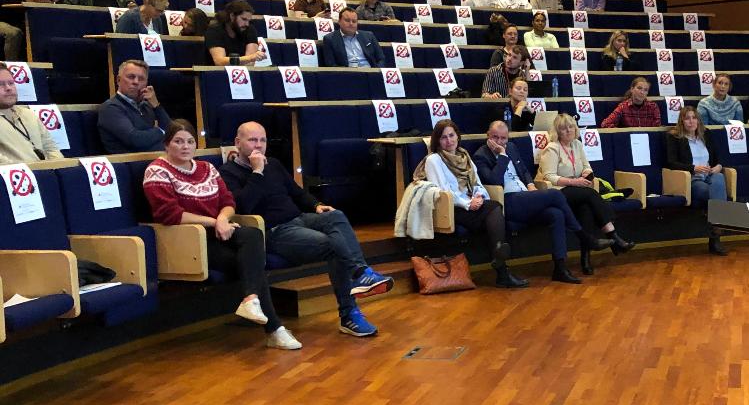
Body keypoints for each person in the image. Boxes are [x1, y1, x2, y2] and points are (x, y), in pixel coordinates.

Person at [220, 121, 393, 338]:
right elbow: (243, 206)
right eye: (252, 140)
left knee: (335, 215)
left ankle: (362, 273)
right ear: (238, 142)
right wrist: (257, 172)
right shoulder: (228, 173)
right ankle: (350, 312)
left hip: (300, 218)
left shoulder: (272, 163)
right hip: (275, 231)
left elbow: (296, 192)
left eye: (262, 140)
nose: (259, 145)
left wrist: (315, 205)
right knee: (333, 245)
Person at [143, 120, 301, 350]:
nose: (185, 147)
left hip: (221, 229)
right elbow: (169, 214)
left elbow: (228, 201)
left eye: (189, 141)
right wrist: (215, 222)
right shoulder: (157, 171)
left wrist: (223, 219)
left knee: (253, 234)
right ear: (167, 144)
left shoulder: (207, 168)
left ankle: (251, 301)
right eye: (178, 141)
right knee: (248, 263)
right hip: (189, 240)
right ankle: (274, 328)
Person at [473, 121, 611, 284]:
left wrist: (531, 186)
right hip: (507, 201)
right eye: (495, 137)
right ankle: (585, 237)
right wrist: (502, 156)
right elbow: (494, 180)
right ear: (488, 135)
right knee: (555, 195)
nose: (499, 142)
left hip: (525, 196)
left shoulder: (511, 147)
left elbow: (523, 170)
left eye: (503, 138)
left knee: (556, 214)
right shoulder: (481, 155)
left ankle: (560, 268)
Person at [416, 118, 526, 288]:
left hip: (470, 203)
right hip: (452, 208)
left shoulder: (464, 156)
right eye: (444, 137)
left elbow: (477, 184)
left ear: (457, 137)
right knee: (494, 208)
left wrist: (480, 196)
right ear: (437, 140)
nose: (449, 140)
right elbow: (443, 191)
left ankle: (500, 260)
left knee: (493, 206)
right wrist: (468, 204)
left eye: (451, 135)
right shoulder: (434, 160)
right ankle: (500, 263)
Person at [536, 112, 634, 273]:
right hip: (557, 192)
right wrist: (575, 181)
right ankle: (614, 238)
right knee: (590, 194)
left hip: (577, 191)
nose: (568, 131)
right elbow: (550, 177)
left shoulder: (577, 145)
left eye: (570, 127)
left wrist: (585, 173)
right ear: (557, 132)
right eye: (563, 128)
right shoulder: (552, 149)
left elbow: (587, 166)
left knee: (586, 209)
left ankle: (585, 261)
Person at [666, 105, 728, 254]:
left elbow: (718, 159)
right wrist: (693, 168)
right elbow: (671, 162)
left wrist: (718, 166)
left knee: (719, 177)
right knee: (708, 191)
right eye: (687, 118)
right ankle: (717, 231)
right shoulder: (674, 137)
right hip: (691, 179)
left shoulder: (706, 135)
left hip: (710, 175)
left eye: (694, 118)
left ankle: (715, 229)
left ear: (698, 121)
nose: (691, 121)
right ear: (681, 121)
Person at [97, 59, 171, 153]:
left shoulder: (146, 105)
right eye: (131, 77)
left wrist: (156, 106)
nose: (136, 82)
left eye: (141, 79)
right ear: (118, 80)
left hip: (155, 158)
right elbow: (135, 139)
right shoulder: (110, 108)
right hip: (131, 163)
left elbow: (171, 130)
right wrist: (161, 131)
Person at [0, 64, 63, 164]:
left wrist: (56, 170)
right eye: (1, 84)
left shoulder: (29, 114)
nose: (8, 88)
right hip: (18, 176)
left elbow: (51, 149)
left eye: (11, 83)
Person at [205, 0, 266, 66]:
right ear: (232, 16)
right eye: (244, 19)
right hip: (218, 74)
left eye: (249, 20)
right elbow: (219, 62)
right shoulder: (214, 30)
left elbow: (250, 64)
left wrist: (250, 59)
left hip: (243, 73)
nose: (247, 24)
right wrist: (249, 58)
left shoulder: (250, 29)